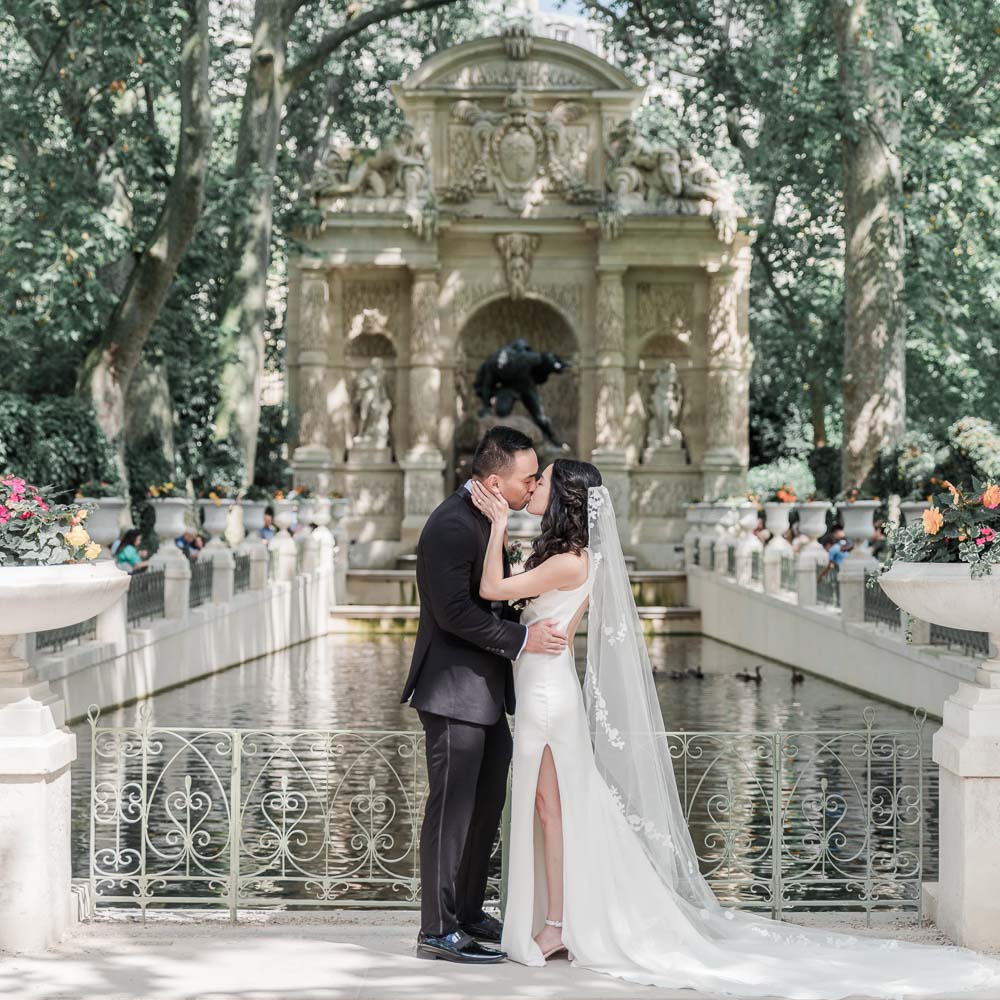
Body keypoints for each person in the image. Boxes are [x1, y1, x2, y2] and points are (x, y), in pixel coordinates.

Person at [467, 459, 1000, 997]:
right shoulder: (563, 556)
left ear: (563, 497)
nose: (534, 487)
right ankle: (559, 917)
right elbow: (535, 616)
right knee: (548, 808)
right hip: (542, 682)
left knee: (552, 807)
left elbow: (491, 588)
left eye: (544, 480)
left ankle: (560, 923)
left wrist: (495, 525)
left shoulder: (570, 561)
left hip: (548, 692)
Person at [399, 426, 569, 965]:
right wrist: (523, 638)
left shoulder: (485, 520)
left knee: (484, 809)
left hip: (487, 694)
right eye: (527, 478)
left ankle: (469, 913)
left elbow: (491, 598)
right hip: (453, 693)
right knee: (451, 812)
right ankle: (438, 928)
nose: (532, 486)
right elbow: (455, 613)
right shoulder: (451, 524)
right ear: (496, 481)